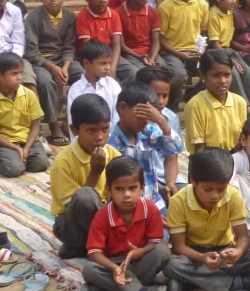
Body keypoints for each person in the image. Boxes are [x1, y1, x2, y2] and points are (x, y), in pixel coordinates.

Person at [163, 147, 250, 291]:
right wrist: (202, 258)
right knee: (171, 265)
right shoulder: (178, 201)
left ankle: (189, 282)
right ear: (194, 181)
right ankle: (238, 282)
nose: (215, 196)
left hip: (223, 251)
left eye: (221, 189)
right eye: (208, 189)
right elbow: (178, 246)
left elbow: (242, 237)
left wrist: (238, 252)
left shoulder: (233, 195)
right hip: (193, 254)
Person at [78, 156, 172, 291]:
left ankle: (101, 290)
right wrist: (114, 268)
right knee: (89, 270)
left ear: (142, 187)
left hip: (140, 261)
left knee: (162, 250)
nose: (126, 194)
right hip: (113, 263)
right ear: (109, 189)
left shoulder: (150, 208)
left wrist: (140, 252)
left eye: (132, 188)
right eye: (119, 189)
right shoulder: (103, 215)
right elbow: (94, 252)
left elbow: (154, 242)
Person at [50, 94, 120, 259]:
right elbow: (78, 206)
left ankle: (83, 248)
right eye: (91, 131)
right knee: (85, 196)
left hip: (104, 216)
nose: (99, 137)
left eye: (105, 129)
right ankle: (87, 245)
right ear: (74, 130)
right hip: (72, 224)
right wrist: (95, 172)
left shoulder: (113, 154)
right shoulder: (63, 162)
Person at [109, 82, 184, 214]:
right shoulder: (112, 145)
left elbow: (176, 148)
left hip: (155, 201)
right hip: (129, 209)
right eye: (143, 115)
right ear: (122, 108)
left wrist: (161, 121)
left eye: (150, 117)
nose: (146, 121)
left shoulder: (147, 132)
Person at [24, 0, 81, 146]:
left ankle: (73, 120)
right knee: (46, 82)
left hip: (64, 61)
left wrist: (65, 66)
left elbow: (70, 46)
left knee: (83, 76)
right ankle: (54, 124)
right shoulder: (34, 17)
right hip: (41, 61)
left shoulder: (70, 16)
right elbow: (31, 49)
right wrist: (52, 68)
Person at [158, 0, 208, 110]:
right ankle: (171, 106)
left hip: (195, 52)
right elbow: (161, 38)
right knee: (179, 76)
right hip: (172, 52)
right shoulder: (165, 7)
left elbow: (203, 32)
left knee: (213, 70)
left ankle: (191, 95)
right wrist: (179, 54)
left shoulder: (202, 5)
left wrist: (201, 50)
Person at [185, 49, 249, 154]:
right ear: (203, 76)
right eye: (215, 76)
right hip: (207, 161)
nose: (223, 81)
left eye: (227, 75)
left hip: (233, 158)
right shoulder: (195, 105)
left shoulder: (240, 102)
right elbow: (199, 149)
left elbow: (240, 142)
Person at [136, 65, 184, 194]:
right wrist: (158, 187)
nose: (161, 102)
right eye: (156, 95)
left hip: (166, 176)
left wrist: (170, 184)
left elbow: (172, 157)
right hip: (140, 180)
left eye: (165, 96)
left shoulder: (171, 118)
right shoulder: (133, 119)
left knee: (186, 195)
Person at [207, 0, 250, 107]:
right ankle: (244, 108)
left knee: (246, 69)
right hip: (217, 52)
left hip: (229, 50)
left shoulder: (229, 12)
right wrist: (230, 61)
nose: (234, 1)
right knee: (232, 72)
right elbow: (214, 43)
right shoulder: (213, 15)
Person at [116, 0, 163, 85]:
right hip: (130, 54)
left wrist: (152, 58)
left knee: (164, 72)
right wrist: (139, 57)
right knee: (140, 74)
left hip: (150, 53)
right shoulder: (119, 13)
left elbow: (156, 42)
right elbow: (121, 45)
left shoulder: (152, 12)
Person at [67, 41, 121, 138]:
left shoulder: (113, 86)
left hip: (111, 141)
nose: (108, 67)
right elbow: (73, 121)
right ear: (86, 63)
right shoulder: (75, 89)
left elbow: (117, 118)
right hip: (85, 143)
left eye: (109, 63)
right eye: (103, 63)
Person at [75, 0, 122, 75]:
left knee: (131, 72)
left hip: (111, 57)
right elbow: (89, 47)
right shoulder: (83, 16)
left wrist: (112, 67)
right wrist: (104, 66)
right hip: (92, 58)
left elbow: (116, 45)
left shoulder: (114, 15)